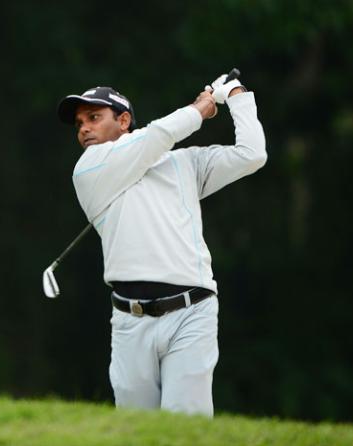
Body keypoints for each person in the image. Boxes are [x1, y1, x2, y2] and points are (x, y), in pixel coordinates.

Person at [56, 74, 266, 417]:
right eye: (79, 123)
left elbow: (251, 155)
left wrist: (238, 97)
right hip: (129, 320)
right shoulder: (88, 169)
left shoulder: (182, 163)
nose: (83, 129)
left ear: (123, 121)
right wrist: (199, 109)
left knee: (185, 428)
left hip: (192, 312)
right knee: (136, 431)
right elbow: (157, 136)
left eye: (94, 118)